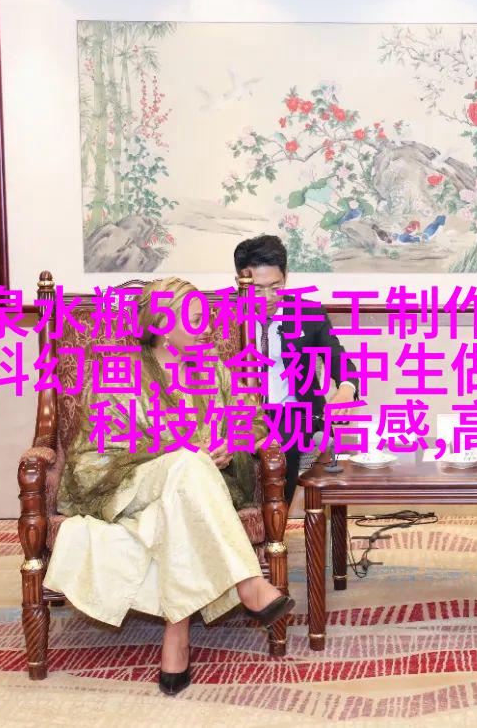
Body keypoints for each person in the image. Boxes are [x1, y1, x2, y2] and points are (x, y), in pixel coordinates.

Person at [43, 277, 295, 696]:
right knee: (188, 461)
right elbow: (94, 452)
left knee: (188, 477)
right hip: (128, 485)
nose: (206, 326)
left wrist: (229, 446)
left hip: (195, 492)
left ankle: (176, 629)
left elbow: (252, 423)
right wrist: (184, 450)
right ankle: (247, 581)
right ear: (161, 323)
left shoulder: (213, 368)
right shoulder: (120, 373)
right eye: (195, 318)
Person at [233, 235, 359, 503]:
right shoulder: (223, 317)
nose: (268, 297)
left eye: (275, 286)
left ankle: (276, 516)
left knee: (284, 439)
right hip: (240, 413)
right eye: (257, 289)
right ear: (240, 282)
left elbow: (337, 357)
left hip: (293, 412)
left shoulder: (308, 313)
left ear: (286, 277)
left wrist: (346, 389)